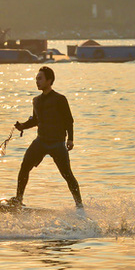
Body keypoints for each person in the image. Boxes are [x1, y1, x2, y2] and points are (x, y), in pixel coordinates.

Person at [12, 66, 84, 209]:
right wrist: (22, 126)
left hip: (57, 143)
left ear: (49, 80)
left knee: (67, 175)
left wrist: (70, 139)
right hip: (41, 141)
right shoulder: (36, 100)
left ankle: (80, 206)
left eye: (40, 78)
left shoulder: (60, 99)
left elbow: (69, 120)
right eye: (36, 79)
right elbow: (35, 121)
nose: (37, 81)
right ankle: (18, 199)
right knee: (24, 167)